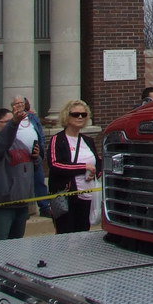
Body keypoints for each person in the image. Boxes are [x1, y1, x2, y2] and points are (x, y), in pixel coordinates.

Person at [0, 108, 34, 241]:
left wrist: (37, 157)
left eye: (14, 121)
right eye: (8, 122)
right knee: (0, 246)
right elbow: (3, 141)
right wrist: (14, 123)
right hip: (2, 205)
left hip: (21, 203)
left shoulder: (20, 143)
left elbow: (28, 168)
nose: (13, 124)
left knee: (14, 248)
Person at [48, 100, 99, 235]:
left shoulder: (88, 140)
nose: (80, 117)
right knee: (66, 234)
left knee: (83, 233)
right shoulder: (57, 139)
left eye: (83, 114)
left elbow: (97, 164)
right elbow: (55, 165)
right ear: (67, 116)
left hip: (87, 195)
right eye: (76, 114)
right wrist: (84, 167)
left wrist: (94, 172)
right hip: (67, 195)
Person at [8, 96, 49, 218]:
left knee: (39, 180)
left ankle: (44, 207)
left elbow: (40, 134)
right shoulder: (11, 119)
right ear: (12, 106)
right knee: (21, 183)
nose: (20, 105)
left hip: (35, 155)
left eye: (22, 102)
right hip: (18, 158)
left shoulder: (32, 118)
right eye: (17, 103)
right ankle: (23, 210)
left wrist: (41, 152)